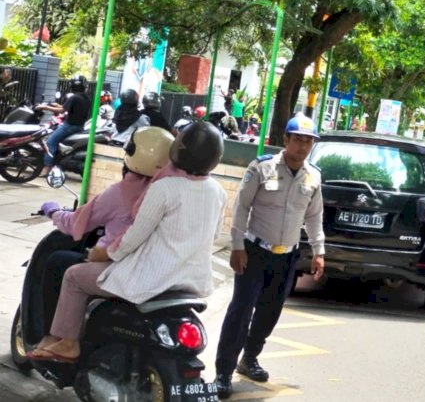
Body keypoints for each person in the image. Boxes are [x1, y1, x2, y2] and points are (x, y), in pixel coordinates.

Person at [28, 121, 227, 362]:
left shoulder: (163, 188)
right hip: (193, 282)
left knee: (73, 276)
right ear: (216, 159)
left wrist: (104, 254)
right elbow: (214, 236)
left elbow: (133, 237)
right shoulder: (218, 191)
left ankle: (68, 342)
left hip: (151, 280)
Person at [213, 114, 325, 398]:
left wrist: (318, 251)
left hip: (286, 256)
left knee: (270, 311)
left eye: (308, 141)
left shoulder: (313, 175)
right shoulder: (261, 167)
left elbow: (314, 216)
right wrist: (237, 245)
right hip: (254, 252)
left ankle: (249, 359)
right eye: (297, 139)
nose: (302, 146)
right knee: (241, 310)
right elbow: (241, 207)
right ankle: (223, 372)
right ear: (286, 140)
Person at [36, 127, 174, 344]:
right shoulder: (175, 189)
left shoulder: (122, 191)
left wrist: (53, 211)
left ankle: (56, 339)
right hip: (161, 271)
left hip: (121, 266)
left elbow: (75, 224)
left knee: (59, 263)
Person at [37, 75, 91, 175]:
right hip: (79, 127)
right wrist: (55, 105)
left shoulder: (74, 97)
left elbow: (62, 110)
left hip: (69, 126)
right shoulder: (86, 98)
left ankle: (47, 167)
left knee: (50, 142)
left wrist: (44, 107)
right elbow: (67, 107)